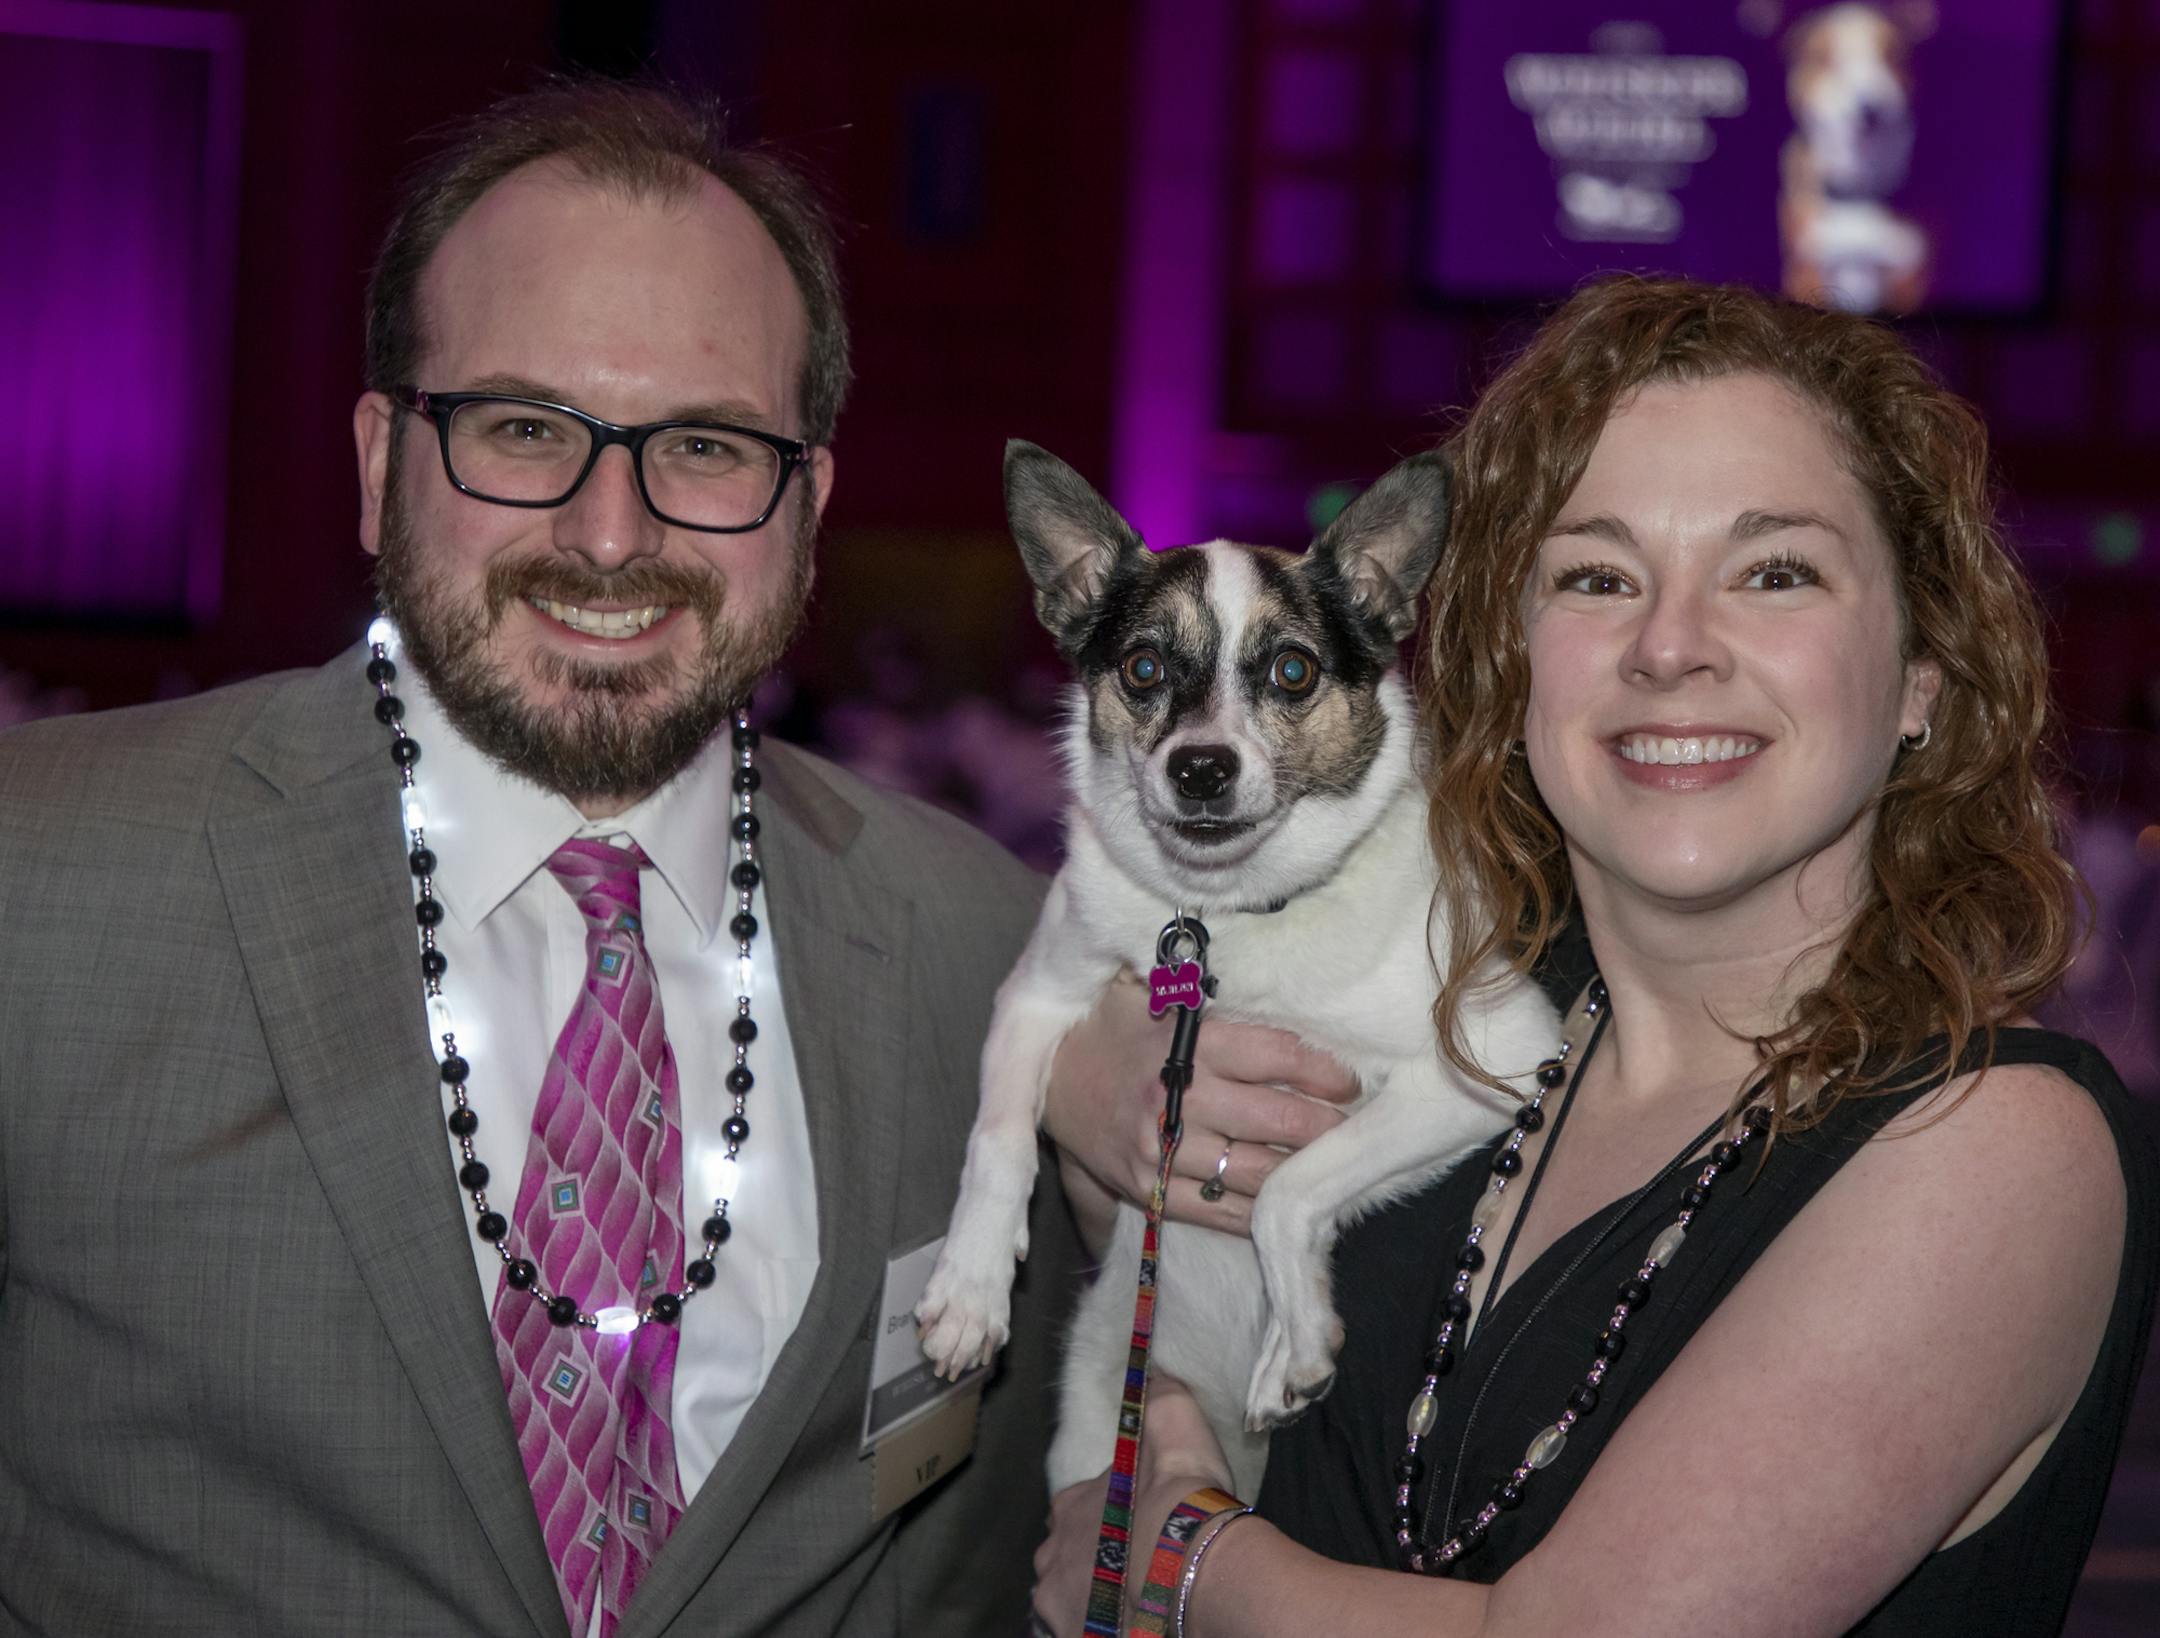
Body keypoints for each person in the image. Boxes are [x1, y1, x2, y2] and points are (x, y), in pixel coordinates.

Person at [0, 81, 1081, 1637]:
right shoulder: (44, 882)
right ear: (382, 462)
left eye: (703, 446)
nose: (608, 532)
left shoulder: (984, 946)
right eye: (522, 428)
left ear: (809, 505)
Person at [1033, 276, 2158, 1634]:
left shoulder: (1997, 1144)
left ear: (1921, 672)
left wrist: (1184, 1559)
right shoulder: (1453, 1020)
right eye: (1598, 575)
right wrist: (1086, 1089)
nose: (1671, 644)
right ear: (1517, 668)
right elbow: (1172, 1268)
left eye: (1774, 570)